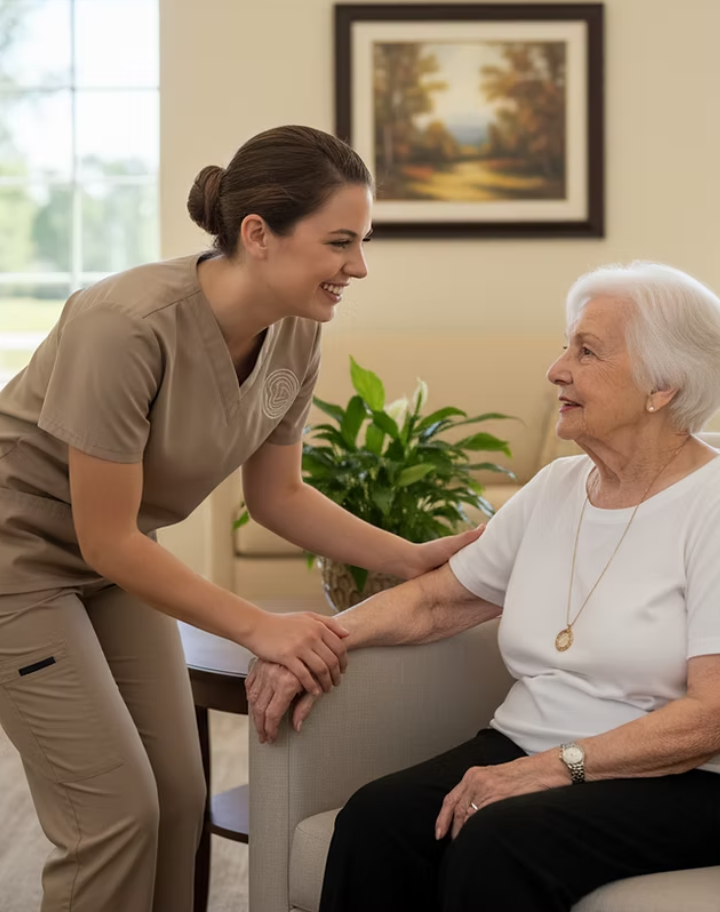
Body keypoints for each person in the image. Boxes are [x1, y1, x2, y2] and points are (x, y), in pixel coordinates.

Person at [0, 125, 477, 912]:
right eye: (340, 243)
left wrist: (410, 558)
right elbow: (105, 536)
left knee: (179, 797)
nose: (358, 267)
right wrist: (261, 627)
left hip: (117, 557)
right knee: (114, 816)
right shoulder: (123, 324)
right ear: (258, 234)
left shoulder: (296, 330)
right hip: (17, 559)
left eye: (362, 243)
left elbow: (278, 496)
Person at [247, 260, 720, 912]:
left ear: (662, 386)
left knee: (498, 841)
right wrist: (319, 638)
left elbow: (710, 715)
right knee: (377, 820)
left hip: (680, 778)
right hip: (525, 742)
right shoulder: (557, 488)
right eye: (566, 347)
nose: (556, 370)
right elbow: (439, 599)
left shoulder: (710, 505)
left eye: (586, 352)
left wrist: (553, 768)